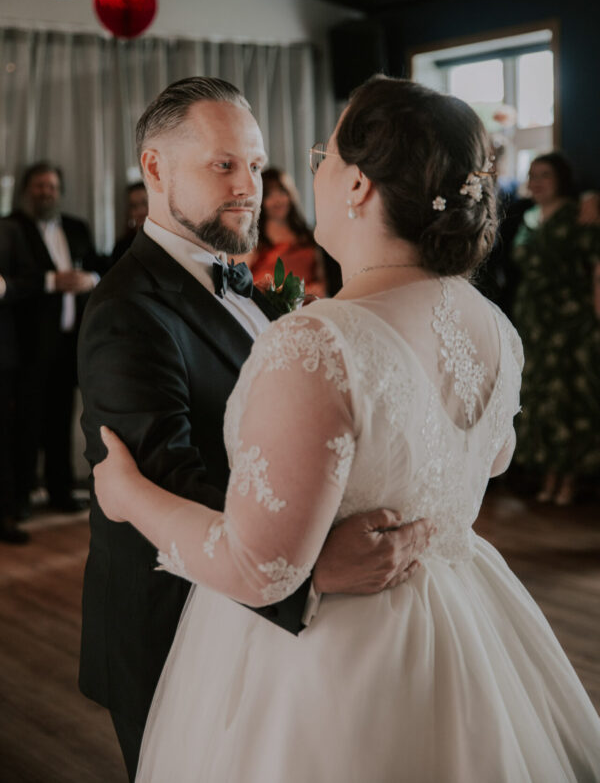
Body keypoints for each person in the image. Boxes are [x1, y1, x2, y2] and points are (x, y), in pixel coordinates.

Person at [94, 77, 600, 782]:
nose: (267, 182)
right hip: (457, 619)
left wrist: (124, 495)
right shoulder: (491, 326)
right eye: (225, 164)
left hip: (326, 660)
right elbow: (489, 458)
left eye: (320, 157)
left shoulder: (321, 338)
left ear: (358, 185)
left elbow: (259, 566)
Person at [76, 77, 432, 783]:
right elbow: (168, 485)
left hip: (256, 629)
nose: (251, 188)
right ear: (155, 169)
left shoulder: (253, 289)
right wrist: (307, 572)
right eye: (223, 165)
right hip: (169, 626)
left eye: (257, 165)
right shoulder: (126, 312)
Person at [10, 163, 103, 514]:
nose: (45, 192)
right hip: (27, 345)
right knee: (25, 424)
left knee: (61, 422)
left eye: (51, 186)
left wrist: (91, 279)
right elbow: (10, 282)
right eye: (39, 185)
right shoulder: (12, 228)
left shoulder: (77, 228)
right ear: (26, 190)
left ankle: (60, 493)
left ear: (59, 191)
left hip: (69, 344)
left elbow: (99, 266)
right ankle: (19, 498)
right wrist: (52, 281)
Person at [511, 153, 600, 505]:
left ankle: (569, 480)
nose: (536, 182)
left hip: (570, 320)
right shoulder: (527, 216)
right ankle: (547, 476)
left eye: (545, 175)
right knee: (540, 398)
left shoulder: (579, 214)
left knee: (569, 398)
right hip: (534, 322)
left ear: (561, 179)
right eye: (532, 175)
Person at [0, 218, 38, 543]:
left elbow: (31, 281)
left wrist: (5, 288)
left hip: (2, 353)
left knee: (3, 436)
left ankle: (4, 517)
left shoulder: (9, 230)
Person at [247, 167, 326, 296]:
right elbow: (241, 284)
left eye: (281, 192)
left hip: (308, 304)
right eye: (269, 195)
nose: (277, 200)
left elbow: (321, 281)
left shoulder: (308, 235)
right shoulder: (252, 240)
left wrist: (315, 290)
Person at [110, 181, 148, 265]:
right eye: (134, 206)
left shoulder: (167, 244)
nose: (140, 211)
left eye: (145, 203)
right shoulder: (121, 248)